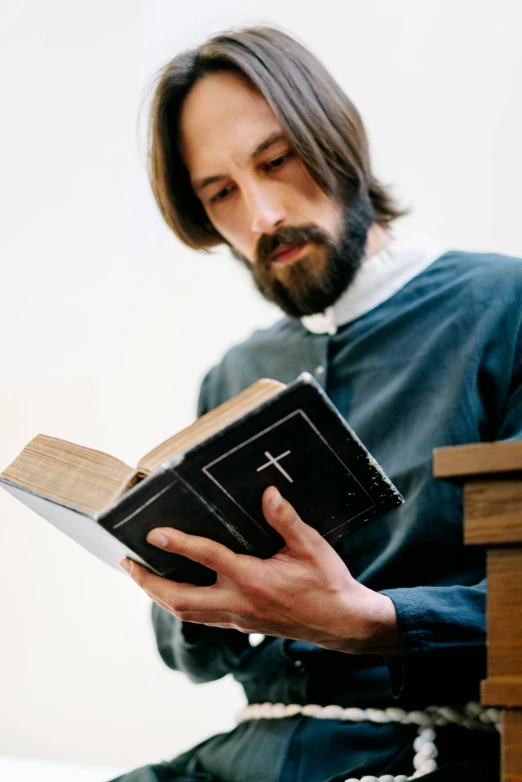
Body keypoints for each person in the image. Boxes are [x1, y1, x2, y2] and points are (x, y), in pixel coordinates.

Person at [111, 25, 521, 782]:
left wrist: (374, 624)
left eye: (276, 161)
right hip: (243, 752)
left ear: (336, 139)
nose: (262, 216)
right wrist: (189, 594)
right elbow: (194, 661)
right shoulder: (235, 374)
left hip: (421, 751)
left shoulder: (506, 308)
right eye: (222, 194)